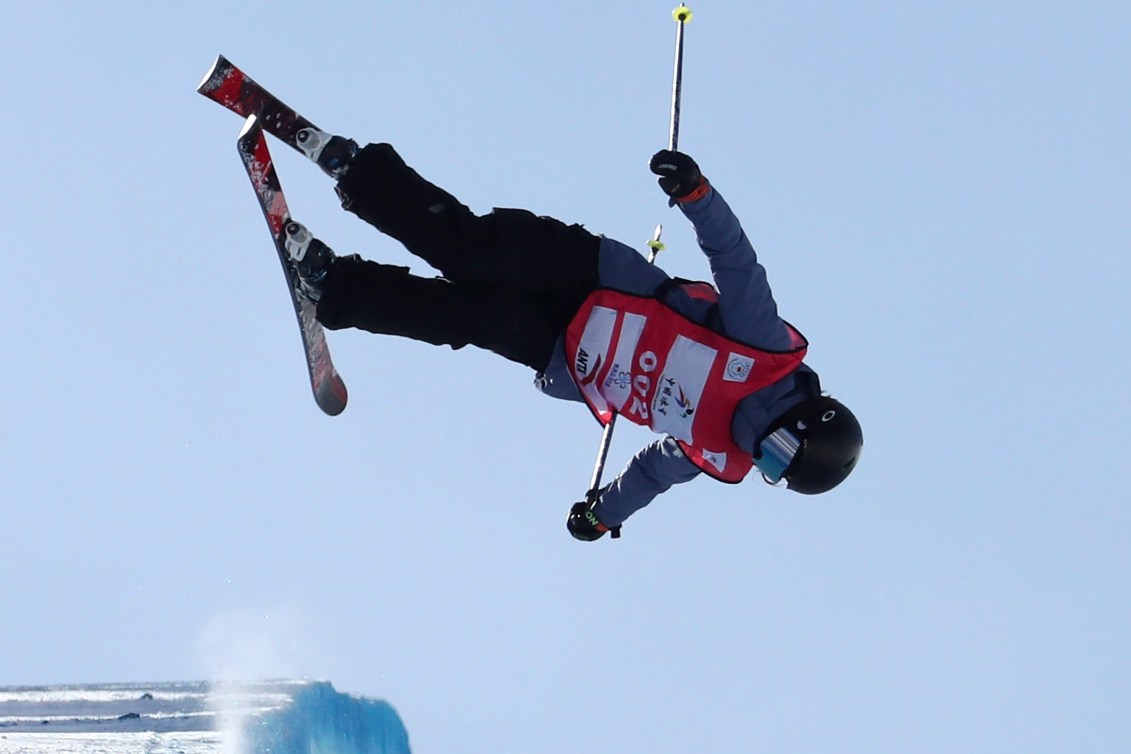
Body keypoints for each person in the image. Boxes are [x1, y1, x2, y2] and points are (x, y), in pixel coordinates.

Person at [281, 128, 863, 541]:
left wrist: (606, 515)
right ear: (804, 417)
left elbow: (654, 473)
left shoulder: (719, 454)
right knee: (466, 249)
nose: (761, 453)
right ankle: (357, 171)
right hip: (591, 275)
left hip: (569, 352)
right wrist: (696, 195)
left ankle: (335, 285)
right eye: (780, 448)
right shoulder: (764, 353)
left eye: (771, 469)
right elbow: (736, 262)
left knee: (460, 318)